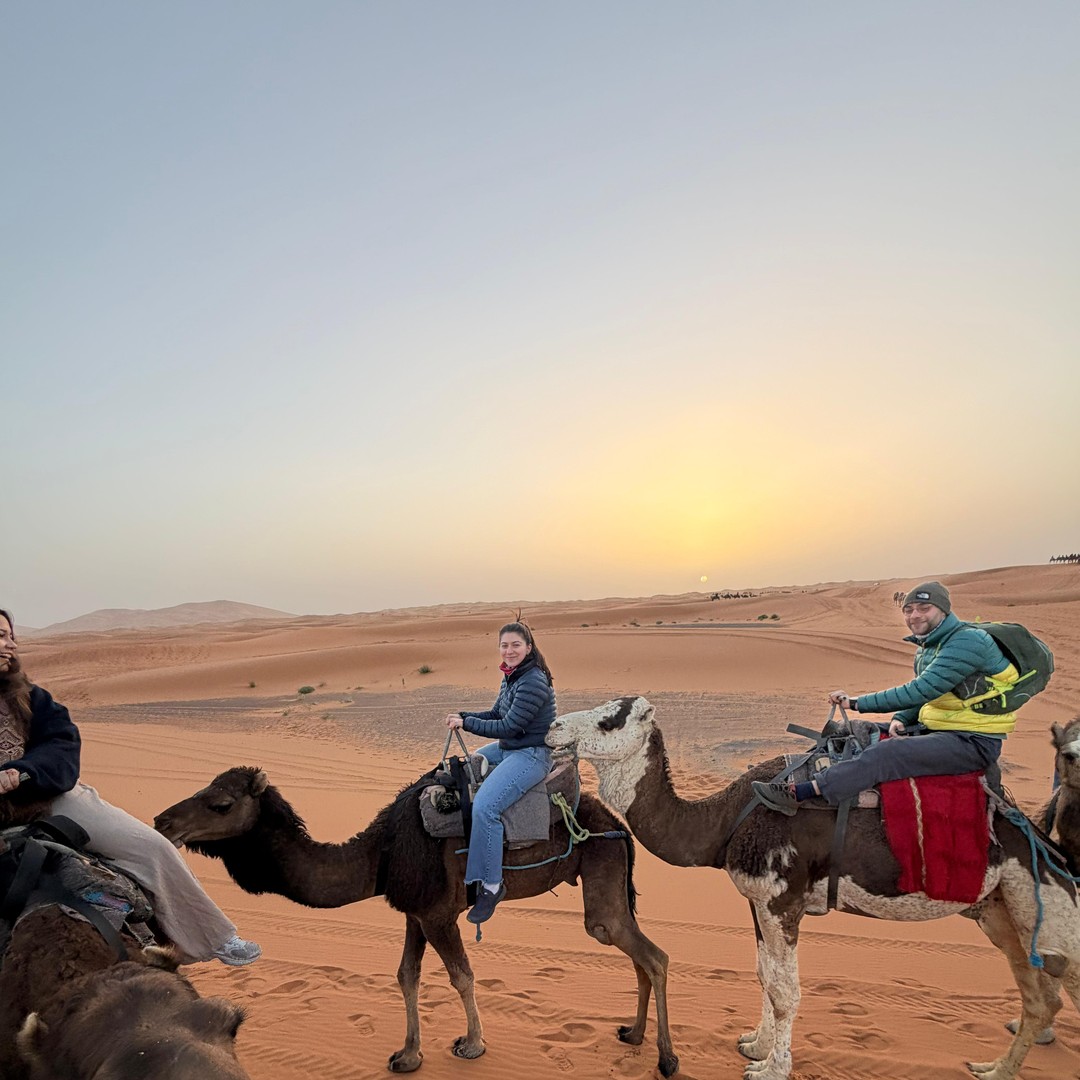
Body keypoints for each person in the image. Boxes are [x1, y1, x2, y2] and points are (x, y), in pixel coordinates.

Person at [0, 607, 260, 966]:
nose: (10, 645)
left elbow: (62, 745)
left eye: (11, 636)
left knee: (151, 847)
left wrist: (21, 772)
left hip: (49, 798)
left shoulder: (31, 698)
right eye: (0, 637)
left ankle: (216, 938)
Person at [752, 581, 1021, 815]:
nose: (914, 615)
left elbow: (921, 690)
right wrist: (901, 718)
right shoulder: (929, 646)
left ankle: (804, 792)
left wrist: (855, 703)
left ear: (944, 610)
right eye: (908, 609)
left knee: (886, 754)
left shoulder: (967, 642)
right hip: (939, 727)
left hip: (972, 740)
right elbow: (932, 694)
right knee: (855, 730)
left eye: (924, 608)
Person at [444, 621, 556, 924]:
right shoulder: (512, 676)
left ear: (528, 648)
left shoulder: (533, 681)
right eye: (504, 645)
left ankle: (492, 885)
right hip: (510, 748)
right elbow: (496, 714)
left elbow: (508, 726)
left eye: (515, 645)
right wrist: (464, 715)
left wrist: (467, 724)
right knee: (468, 766)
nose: (509, 650)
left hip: (532, 754)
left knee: (485, 807)